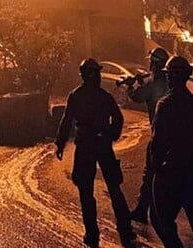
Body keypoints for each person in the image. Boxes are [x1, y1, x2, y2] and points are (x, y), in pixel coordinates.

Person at [55, 58, 136, 248]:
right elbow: (118, 118)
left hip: (85, 146)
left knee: (87, 192)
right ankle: (124, 228)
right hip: (101, 145)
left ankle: (92, 234)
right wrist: (110, 135)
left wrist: (60, 144)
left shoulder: (76, 95)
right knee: (114, 188)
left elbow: (67, 121)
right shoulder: (103, 96)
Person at [149, 55, 193, 248]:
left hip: (172, 175)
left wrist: (157, 171)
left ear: (169, 77)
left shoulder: (164, 106)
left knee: (160, 219)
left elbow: (157, 144)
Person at [127, 46, 170, 224]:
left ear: (153, 63)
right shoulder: (170, 80)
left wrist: (131, 86)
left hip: (159, 135)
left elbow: (137, 97)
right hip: (176, 136)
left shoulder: (153, 83)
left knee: (151, 173)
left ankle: (142, 210)